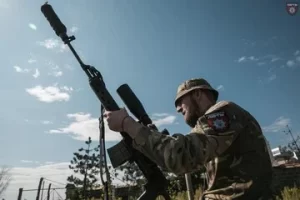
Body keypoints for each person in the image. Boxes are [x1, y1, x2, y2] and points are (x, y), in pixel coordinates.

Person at [104, 78, 274, 200]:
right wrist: (151, 141)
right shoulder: (218, 129)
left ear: (198, 93)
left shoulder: (224, 112)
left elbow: (181, 157)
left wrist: (127, 123)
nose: (178, 109)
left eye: (180, 101)